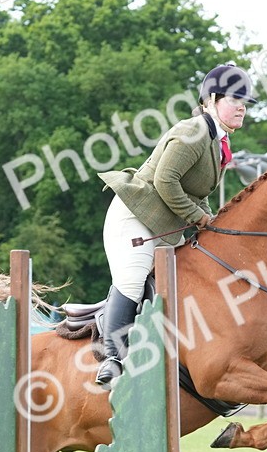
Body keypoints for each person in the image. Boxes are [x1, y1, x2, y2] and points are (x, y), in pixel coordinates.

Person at [94, 62, 256, 388]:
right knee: (134, 276)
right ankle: (111, 358)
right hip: (134, 217)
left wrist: (214, 227)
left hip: (164, 225)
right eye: (234, 98)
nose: (241, 106)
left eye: (245, 101)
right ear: (211, 99)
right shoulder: (192, 132)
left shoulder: (217, 142)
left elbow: (200, 194)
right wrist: (200, 219)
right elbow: (166, 181)